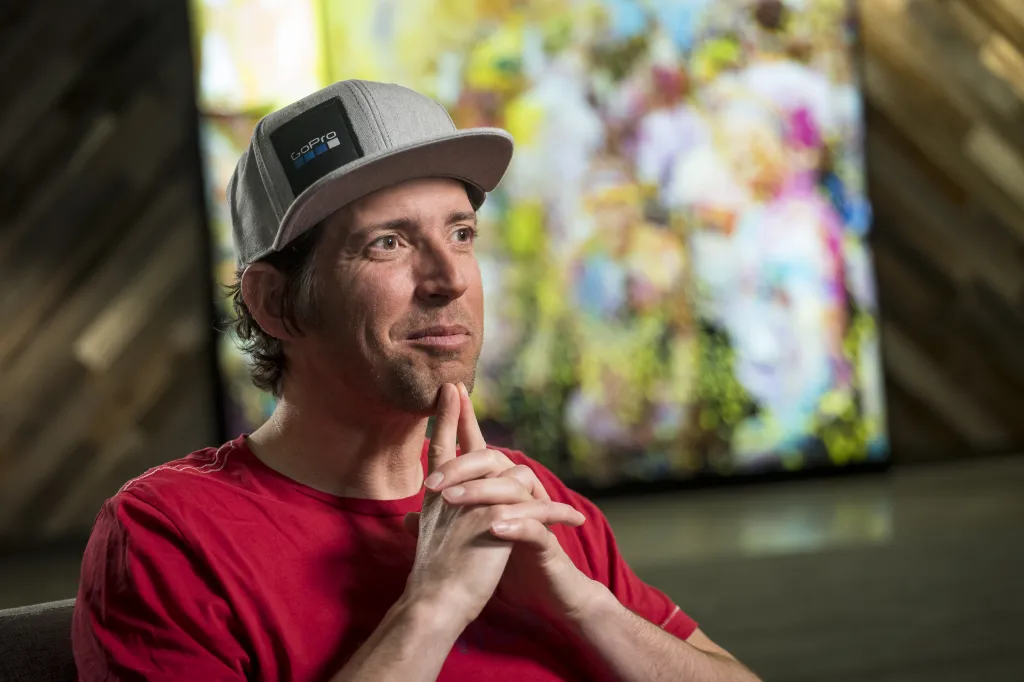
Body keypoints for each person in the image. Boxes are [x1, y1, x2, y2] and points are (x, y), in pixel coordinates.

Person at [71, 79, 760, 682]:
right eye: (388, 243)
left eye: (461, 234)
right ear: (274, 302)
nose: (450, 277)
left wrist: (586, 607)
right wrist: (432, 606)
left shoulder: (523, 495)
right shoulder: (169, 538)